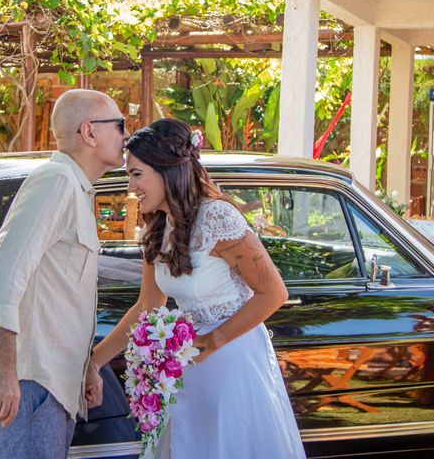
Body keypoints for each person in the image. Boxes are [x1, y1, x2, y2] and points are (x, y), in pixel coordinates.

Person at [91, 118, 306, 458]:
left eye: (136, 174)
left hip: (231, 357)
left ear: (167, 172)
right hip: (188, 361)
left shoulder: (218, 217)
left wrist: (212, 340)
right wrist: (96, 360)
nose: (131, 187)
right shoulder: (159, 226)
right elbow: (148, 305)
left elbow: (273, 293)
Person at [0, 89, 129, 459]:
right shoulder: (57, 181)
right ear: (89, 133)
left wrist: (86, 366)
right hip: (29, 382)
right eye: (120, 125)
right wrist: (5, 370)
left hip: (49, 383)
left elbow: (63, 281)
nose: (126, 135)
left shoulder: (75, 187)